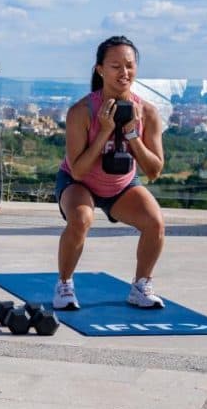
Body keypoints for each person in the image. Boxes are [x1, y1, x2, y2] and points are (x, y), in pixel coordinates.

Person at [53, 35, 166, 310]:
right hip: (79, 182)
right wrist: (105, 131)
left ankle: (141, 287)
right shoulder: (81, 112)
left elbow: (154, 171)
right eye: (115, 66)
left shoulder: (148, 113)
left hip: (121, 185)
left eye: (129, 65)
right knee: (81, 218)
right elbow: (78, 171)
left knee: (155, 223)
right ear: (100, 70)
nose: (124, 72)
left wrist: (132, 135)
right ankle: (64, 285)